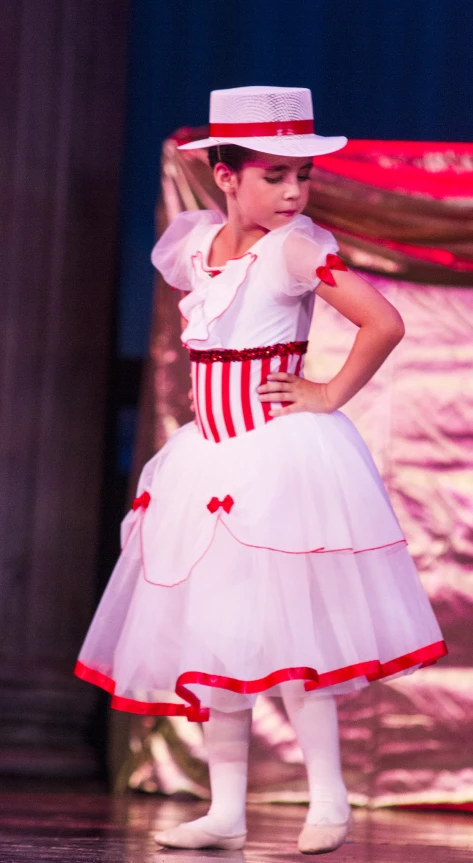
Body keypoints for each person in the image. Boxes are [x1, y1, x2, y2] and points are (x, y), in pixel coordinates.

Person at [75, 86, 446, 855]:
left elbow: (383, 320)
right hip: (206, 460)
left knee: (291, 639)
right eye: (273, 175)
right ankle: (226, 807)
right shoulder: (193, 244)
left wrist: (325, 392)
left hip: (277, 460)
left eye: (299, 176)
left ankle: (330, 799)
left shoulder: (297, 248)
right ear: (226, 176)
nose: (291, 192)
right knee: (219, 636)